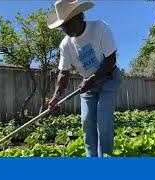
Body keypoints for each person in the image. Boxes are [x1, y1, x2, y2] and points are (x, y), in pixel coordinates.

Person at [47, 0, 121, 157]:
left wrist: (92, 79)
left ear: (80, 16)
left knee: (103, 120)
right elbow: (63, 73)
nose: (65, 29)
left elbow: (111, 60)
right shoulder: (65, 44)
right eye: (62, 26)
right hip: (87, 84)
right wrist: (56, 96)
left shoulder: (99, 28)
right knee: (87, 121)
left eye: (67, 23)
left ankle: (105, 158)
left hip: (109, 77)